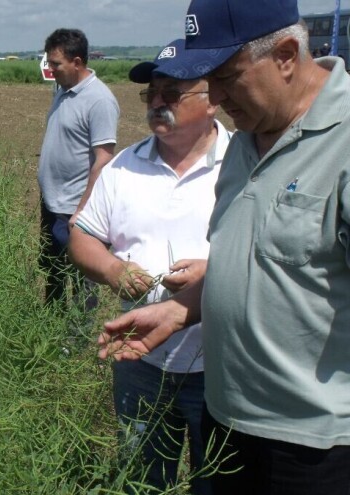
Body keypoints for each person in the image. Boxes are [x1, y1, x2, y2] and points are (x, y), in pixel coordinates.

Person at [99, 0, 350, 493]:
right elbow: (264, 262)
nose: (214, 96)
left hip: (314, 449)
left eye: (227, 77)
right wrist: (179, 311)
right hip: (227, 426)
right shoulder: (243, 143)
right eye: (206, 78)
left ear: (284, 55)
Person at [69, 38, 229, 495]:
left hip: (220, 368)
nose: (157, 103)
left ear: (213, 98)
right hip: (139, 362)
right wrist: (115, 272)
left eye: (172, 93)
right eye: (151, 93)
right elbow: (81, 236)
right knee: (143, 478)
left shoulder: (244, 163)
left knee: (216, 481)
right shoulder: (123, 169)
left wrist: (215, 272)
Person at [38, 28, 119, 305]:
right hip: (52, 201)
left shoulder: (99, 100)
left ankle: (77, 338)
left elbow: (103, 159)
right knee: (53, 268)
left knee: (81, 274)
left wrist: (83, 210)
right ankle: (51, 324)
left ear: (77, 62)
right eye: (49, 63)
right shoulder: (63, 91)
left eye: (56, 64)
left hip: (75, 207)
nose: (51, 69)